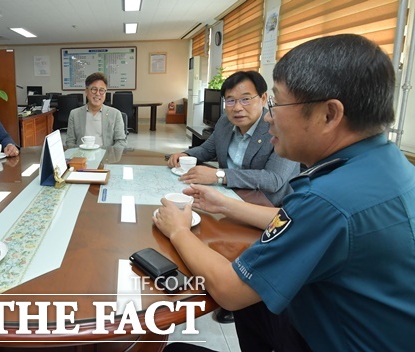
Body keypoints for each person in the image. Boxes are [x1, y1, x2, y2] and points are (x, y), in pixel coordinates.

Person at [156, 34, 415, 351]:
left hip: (326, 337)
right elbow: (298, 221)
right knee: (255, 306)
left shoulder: (328, 199)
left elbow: (231, 291)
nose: (268, 116)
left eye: (276, 103)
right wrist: (224, 203)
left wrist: (178, 230)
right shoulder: (386, 164)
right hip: (339, 322)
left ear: (329, 114)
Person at [167, 71, 299, 207]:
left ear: (263, 98)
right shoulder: (225, 122)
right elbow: (207, 149)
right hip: (227, 196)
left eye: (246, 99)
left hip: (266, 206)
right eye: (230, 100)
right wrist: (185, 155)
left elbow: (273, 179)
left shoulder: (280, 129)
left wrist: (219, 175)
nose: (237, 108)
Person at [65, 72, 127, 149]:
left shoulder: (115, 114)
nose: (98, 94)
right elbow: (70, 142)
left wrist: (109, 156)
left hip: (106, 158)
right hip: (82, 157)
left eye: (101, 90)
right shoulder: (74, 114)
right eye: (94, 89)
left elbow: (121, 141)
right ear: (86, 92)